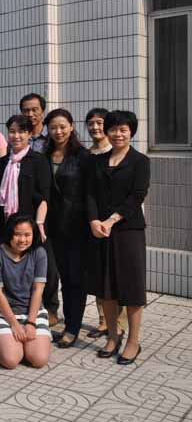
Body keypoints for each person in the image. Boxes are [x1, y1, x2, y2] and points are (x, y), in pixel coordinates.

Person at [86, 110, 150, 365]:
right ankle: (113, 336)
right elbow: (90, 194)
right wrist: (94, 221)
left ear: (131, 132)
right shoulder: (98, 162)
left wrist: (111, 220)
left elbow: (137, 196)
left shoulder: (140, 161)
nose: (118, 134)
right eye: (113, 129)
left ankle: (133, 341)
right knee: (106, 287)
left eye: (123, 129)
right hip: (101, 231)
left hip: (128, 231)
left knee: (132, 287)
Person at [0, 115, 57, 324]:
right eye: (12, 131)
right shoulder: (2, 162)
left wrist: (40, 224)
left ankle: (47, 309)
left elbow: (44, 196)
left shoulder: (38, 160)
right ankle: (5, 308)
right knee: (5, 266)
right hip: (4, 225)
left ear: (29, 134)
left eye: (21, 132)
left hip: (30, 227)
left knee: (41, 267)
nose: (16, 136)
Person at [45, 109, 89, 348]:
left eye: (62, 126)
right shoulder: (44, 155)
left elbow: (90, 193)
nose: (58, 131)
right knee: (61, 276)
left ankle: (72, 327)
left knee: (75, 279)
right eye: (53, 127)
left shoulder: (82, 156)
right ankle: (66, 322)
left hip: (76, 227)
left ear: (71, 127)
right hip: (52, 227)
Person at [83, 108, 127, 340]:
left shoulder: (119, 150)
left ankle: (119, 322)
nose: (95, 127)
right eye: (90, 123)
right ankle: (103, 320)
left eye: (99, 122)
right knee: (99, 272)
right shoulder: (87, 154)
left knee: (118, 274)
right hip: (94, 222)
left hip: (120, 223)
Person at [0, 216, 51, 369]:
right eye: (17, 234)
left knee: (39, 359)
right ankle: (8, 343)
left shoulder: (39, 253)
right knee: (10, 360)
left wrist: (31, 322)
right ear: (9, 233)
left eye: (27, 235)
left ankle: (24, 345)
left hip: (32, 312)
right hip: (3, 312)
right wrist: (14, 324)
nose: (22, 240)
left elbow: (38, 290)